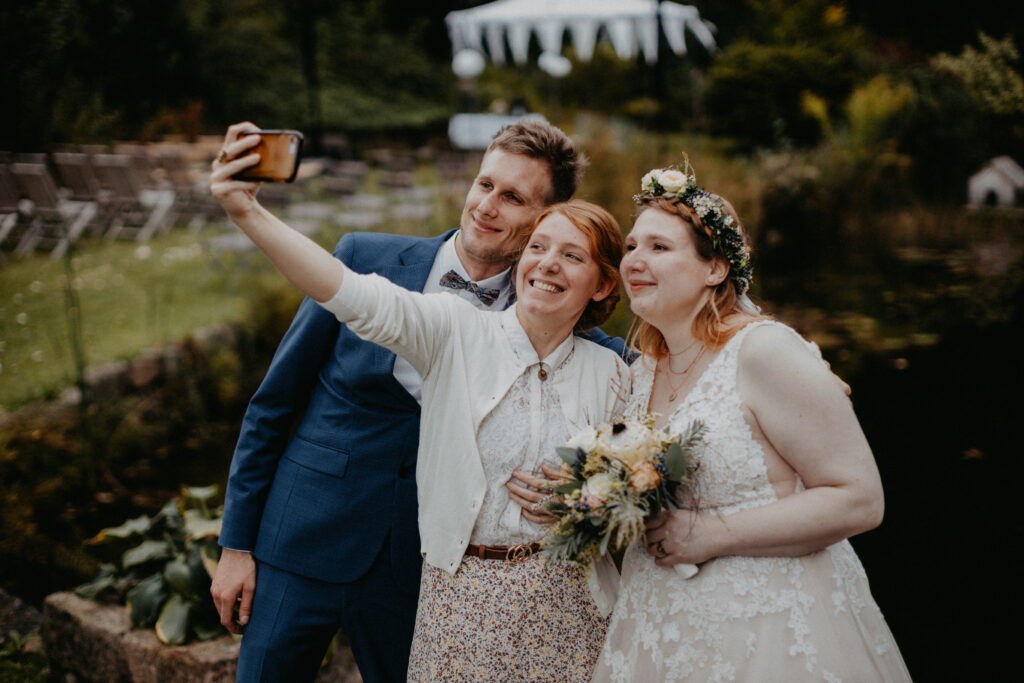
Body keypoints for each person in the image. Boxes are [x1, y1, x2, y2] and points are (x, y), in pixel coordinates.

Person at [208, 119, 624, 682]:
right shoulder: (365, 255)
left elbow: (645, 385)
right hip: (302, 538)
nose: (487, 206)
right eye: (484, 185)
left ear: (545, 217)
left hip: (420, 566)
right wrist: (236, 544)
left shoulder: (559, 325)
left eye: (513, 197)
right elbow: (273, 405)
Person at [590, 165, 912, 682]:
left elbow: (860, 497)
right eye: (631, 246)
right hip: (659, 628)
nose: (634, 261)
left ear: (715, 268)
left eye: (658, 247)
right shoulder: (640, 371)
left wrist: (712, 534)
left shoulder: (764, 350)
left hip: (769, 627)